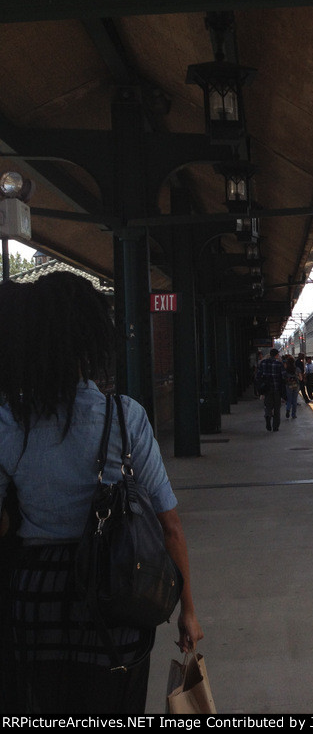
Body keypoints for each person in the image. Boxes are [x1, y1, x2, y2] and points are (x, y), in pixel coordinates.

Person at [0, 272, 203, 714]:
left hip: (37, 602)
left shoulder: (10, 421)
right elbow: (170, 526)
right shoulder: (125, 417)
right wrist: (188, 610)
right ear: (89, 343)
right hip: (118, 596)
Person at [255, 347, 284, 431]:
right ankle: (275, 427)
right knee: (277, 408)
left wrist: (261, 386)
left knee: (268, 406)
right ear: (276, 355)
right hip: (277, 389)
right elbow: (284, 376)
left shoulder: (263, 363)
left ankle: (268, 416)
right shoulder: (279, 364)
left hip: (267, 390)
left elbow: (258, 376)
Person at [282, 355, 300, 419]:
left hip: (288, 386)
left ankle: (288, 409)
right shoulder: (297, 369)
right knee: (294, 400)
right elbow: (301, 378)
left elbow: (283, 378)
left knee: (289, 399)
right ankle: (293, 415)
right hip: (296, 386)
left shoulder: (286, 370)